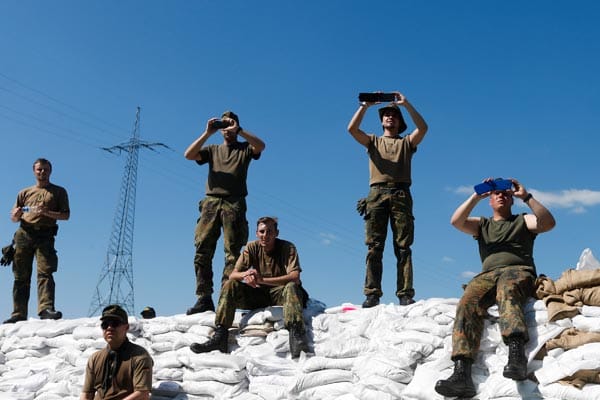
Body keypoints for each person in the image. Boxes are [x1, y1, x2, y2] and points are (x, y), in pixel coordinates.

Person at [435, 178, 556, 398]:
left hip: (518, 270)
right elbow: (456, 221)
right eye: (496, 194)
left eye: (506, 194)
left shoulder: (522, 220)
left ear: (512, 199)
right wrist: (475, 197)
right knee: (467, 302)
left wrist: (527, 197)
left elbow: (548, 223)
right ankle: (462, 373)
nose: (501, 196)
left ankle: (516, 356)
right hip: (487, 275)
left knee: (507, 291)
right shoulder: (482, 225)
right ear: (490, 200)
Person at [347, 91, 428, 307]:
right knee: (374, 247)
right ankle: (372, 293)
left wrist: (406, 104)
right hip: (377, 194)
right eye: (386, 115)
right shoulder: (373, 141)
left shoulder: (406, 143)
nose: (389, 117)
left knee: (403, 247)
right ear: (382, 121)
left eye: (394, 115)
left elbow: (423, 128)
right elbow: (352, 129)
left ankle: (405, 293)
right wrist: (366, 106)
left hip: (401, 193)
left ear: (400, 122)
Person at [189, 216, 310, 358]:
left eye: (270, 231)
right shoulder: (252, 247)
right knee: (230, 285)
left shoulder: (287, 247)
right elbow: (233, 275)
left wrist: (262, 280)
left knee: (291, 286)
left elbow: (295, 277)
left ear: (276, 233)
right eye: (262, 231)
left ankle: (297, 335)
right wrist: (247, 275)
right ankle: (221, 334)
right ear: (257, 233)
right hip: (259, 295)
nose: (265, 235)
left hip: (282, 294)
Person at [184, 110, 265, 315]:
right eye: (224, 125)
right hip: (211, 202)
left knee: (233, 253)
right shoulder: (212, 149)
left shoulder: (245, 148)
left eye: (231, 124)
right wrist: (208, 132)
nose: (227, 128)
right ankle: (204, 297)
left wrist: (240, 130)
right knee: (202, 249)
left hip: (234, 202)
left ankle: (225, 295)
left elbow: (261, 146)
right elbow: (189, 155)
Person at [4, 158, 70, 323]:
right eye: (39, 169)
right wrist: (17, 214)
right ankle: (18, 313)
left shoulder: (58, 192)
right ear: (34, 171)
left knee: (45, 273)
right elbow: (13, 217)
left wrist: (48, 213)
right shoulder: (24, 193)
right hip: (24, 233)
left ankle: (46, 308)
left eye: (45, 169)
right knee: (20, 275)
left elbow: (66, 215)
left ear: (50, 171)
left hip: (45, 235)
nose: (42, 172)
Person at [81, 304, 153, 400]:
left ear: (126, 327)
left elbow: (142, 394)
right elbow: (87, 393)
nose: (109, 328)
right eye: (105, 325)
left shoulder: (139, 356)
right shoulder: (95, 358)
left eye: (115, 323)